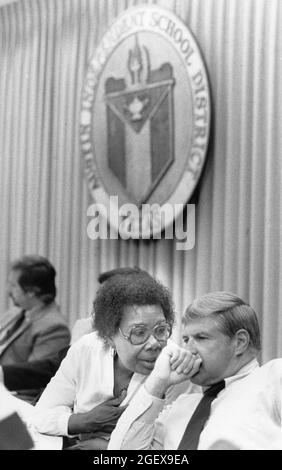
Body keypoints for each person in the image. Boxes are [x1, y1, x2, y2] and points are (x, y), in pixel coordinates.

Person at [30, 271, 188, 449]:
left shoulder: (176, 366)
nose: (154, 343)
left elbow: (166, 448)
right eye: (139, 332)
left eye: (160, 330)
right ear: (108, 335)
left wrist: (103, 446)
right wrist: (85, 421)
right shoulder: (86, 350)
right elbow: (39, 417)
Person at [108, 291, 282, 450]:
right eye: (185, 339)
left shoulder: (273, 378)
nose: (188, 350)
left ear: (240, 342)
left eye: (201, 338)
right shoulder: (180, 407)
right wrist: (157, 383)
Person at [0, 255, 71, 401]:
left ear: (32, 291)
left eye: (13, 286)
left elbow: (31, 382)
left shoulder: (54, 327)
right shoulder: (14, 312)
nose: (8, 291)